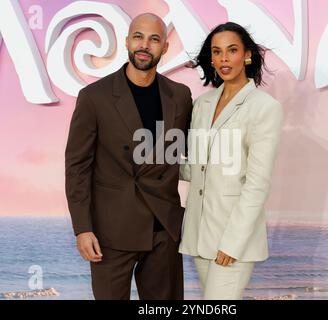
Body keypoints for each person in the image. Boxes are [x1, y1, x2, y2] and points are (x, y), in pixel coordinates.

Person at [65, 13, 193, 300]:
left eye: (154, 39)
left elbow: (192, 152)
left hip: (164, 227)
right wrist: (82, 229)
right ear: (127, 42)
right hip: (111, 231)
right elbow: (77, 167)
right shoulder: (94, 97)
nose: (145, 45)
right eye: (138, 37)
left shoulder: (180, 95)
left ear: (165, 48)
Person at [179, 22, 283, 300]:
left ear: (246, 55)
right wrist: (155, 163)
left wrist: (233, 242)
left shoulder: (264, 108)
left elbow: (257, 184)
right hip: (199, 233)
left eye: (232, 50)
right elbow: (196, 167)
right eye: (217, 52)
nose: (224, 58)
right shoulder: (202, 104)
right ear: (211, 58)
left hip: (232, 238)